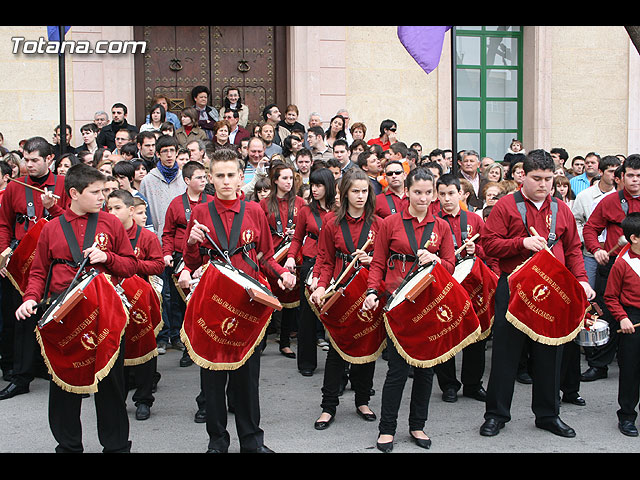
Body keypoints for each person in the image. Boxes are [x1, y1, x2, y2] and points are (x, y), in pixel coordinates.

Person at [16, 163, 137, 452]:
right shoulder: (52, 228)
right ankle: (68, 446)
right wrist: (30, 298)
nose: (101, 198)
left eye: (102, 192)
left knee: (111, 385)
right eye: (95, 192)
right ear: (74, 193)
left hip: (104, 312)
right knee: (63, 385)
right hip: (64, 314)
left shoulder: (110, 223)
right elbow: (38, 271)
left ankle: (117, 446)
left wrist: (106, 258)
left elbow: (131, 265)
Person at [183, 147, 295, 453]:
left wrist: (281, 274)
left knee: (247, 381)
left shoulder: (255, 211)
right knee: (213, 379)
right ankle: (217, 443)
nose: (226, 181)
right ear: (209, 178)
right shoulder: (201, 212)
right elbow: (191, 263)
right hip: (214, 304)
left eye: (231, 175)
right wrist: (192, 243)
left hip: (248, 305)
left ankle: (252, 442)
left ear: (239, 176)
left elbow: (266, 257)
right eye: (219, 176)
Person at [479, 149, 595, 439]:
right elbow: (489, 245)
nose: (543, 185)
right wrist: (522, 243)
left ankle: (547, 414)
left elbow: (573, 250)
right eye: (537, 178)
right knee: (506, 354)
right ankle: (496, 415)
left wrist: (581, 279)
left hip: (552, 290)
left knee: (550, 354)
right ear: (522, 177)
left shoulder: (562, 209)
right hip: (515, 287)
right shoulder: (505, 206)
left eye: (548, 179)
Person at [362, 167, 455, 452]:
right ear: (408, 192)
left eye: (429, 193)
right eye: (418, 192)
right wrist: (371, 291)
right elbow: (377, 262)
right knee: (397, 370)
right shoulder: (390, 222)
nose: (424, 198)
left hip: (428, 304)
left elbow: (451, 266)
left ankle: (417, 425)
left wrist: (436, 260)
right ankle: (387, 429)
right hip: (397, 301)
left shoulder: (442, 226)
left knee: (426, 370)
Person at [309, 167, 381, 429]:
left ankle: (363, 400)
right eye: (355, 191)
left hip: (368, 293)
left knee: (368, 348)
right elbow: (325, 260)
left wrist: (371, 259)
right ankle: (328, 407)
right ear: (345, 193)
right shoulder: (331, 223)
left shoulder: (379, 224)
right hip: (340, 294)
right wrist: (320, 285)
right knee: (336, 351)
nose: (361, 196)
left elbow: (383, 263)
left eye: (364, 191)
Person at [0, 137, 68, 400]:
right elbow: (4, 224)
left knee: (55, 317)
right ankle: (21, 376)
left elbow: (72, 221)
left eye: (34, 160)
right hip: (21, 262)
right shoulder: (15, 187)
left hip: (54, 261)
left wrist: (55, 207)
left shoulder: (63, 184)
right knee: (21, 319)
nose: (28, 165)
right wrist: (3, 256)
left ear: (49, 160)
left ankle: (57, 370)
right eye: (25, 160)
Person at [106, 189, 164, 421]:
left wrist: (130, 265)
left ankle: (143, 399)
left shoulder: (146, 237)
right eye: (108, 208)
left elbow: (158, 266)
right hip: (115, 300)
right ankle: (117, 397)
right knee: (116, 350)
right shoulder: (105, 236)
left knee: (145, 349)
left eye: (117, 208)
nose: (112, 213)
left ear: (130, 210)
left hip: (142, 301)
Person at [581, 154, 640, 382]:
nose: (635, 180)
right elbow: (590, 228)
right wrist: (596, 250)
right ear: (621, 177)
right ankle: (599, 364)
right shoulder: (609, 201)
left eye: (639, 176)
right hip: (615, 263)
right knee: (606, 312)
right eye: (631, 176)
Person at [433, 174, 489, 403]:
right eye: (443, 194)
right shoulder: (433, 221)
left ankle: (473, 384)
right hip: (444, 284)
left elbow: (489, 250)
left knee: (475, 333)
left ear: (461, 194)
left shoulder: (474, 220)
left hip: (471, 283)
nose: (447, 199)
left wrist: (476, 250)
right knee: (445, 332)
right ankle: (448, 384)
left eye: (451, 194)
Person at [284, 167, 336, 376]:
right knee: (306, 314)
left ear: (329, 186)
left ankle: (339, 364)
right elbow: (297, 238)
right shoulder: (306, 211)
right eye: (312, 185)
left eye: (319, 185)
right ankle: (306, 362)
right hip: (308, 263)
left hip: (332, 264)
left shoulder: (338, 210)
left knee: (334, 312)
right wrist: (289, 257)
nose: (314, 189)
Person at [139, 135, 187, 353]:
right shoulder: (149, 180)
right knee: (162, 291)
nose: (169, 155)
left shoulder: (183, 178)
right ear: (157, 154)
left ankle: (178, 333)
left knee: (178, 292)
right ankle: (163, 333)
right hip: (157, 243)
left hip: (179, 245)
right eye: (164, 151)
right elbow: (145, 213)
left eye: (172, 151)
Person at [161, 161, 209, 365]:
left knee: (206, 304)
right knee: (183, 305)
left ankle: (207, 344)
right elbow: (168, 233)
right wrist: (166, 253)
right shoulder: (176, 204)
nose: (203, 180)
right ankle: (187, 348)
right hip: (182, 260)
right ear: (187, 180)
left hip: (206, 259)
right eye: (199, 177)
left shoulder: (212, 202)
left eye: (205, 176)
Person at [259, 162, 306, 359]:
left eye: (291, 178)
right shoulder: (264, 204)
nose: (289, 182)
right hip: (271, 257)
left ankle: (285, 343)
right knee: (265, 300)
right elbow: (261, 231)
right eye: (284, 178)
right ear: (275, 180)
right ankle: (259, 343)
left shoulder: (301, 203)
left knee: (289, 302)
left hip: (293, 257)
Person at [604, 212, 640, 436]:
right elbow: (610, 297)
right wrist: (622, 317)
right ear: (634, 238)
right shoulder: (621, 264)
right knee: (630, 370)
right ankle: (627, 415)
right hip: (631, 318)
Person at [572, 155, 621, 288]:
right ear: (600, 172)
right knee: (588, 290)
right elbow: (575, 221)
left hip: (615, 254)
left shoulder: (620, 197)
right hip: (590, 253)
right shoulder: (584, 196)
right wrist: (588, 241)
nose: (614, 175)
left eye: (617, 172)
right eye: (610, 171)